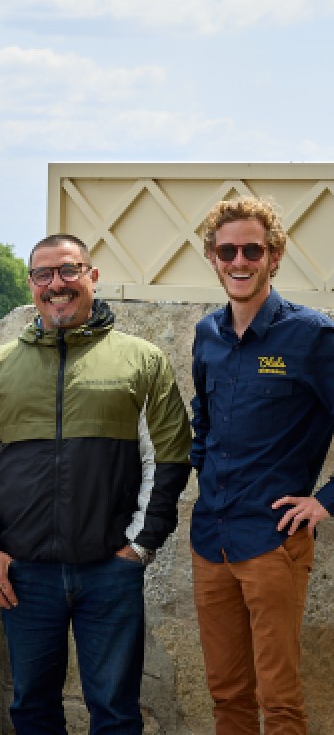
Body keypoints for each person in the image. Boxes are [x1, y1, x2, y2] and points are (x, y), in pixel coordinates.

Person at [0, 233, 192, 734]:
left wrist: (139, 548)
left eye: (69, 271)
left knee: (116, 711)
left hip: (110, 571)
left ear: (92, 277)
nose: (56, 284)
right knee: (32, 709)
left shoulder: (141, 361)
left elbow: (167, 460)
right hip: (25, 574)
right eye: (44, 275)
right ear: (33, 285)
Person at [188, 195, 334, 734]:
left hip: (274, 541)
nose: (239, 261)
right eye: (228, 250)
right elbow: (202, 420)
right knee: (226, 695)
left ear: (275, 255)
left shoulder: (312, 336)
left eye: (253, 249)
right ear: (212, 257)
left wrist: (324, 500)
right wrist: (204, 473)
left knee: (280, 699)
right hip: (211, 540)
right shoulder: (207, 334)